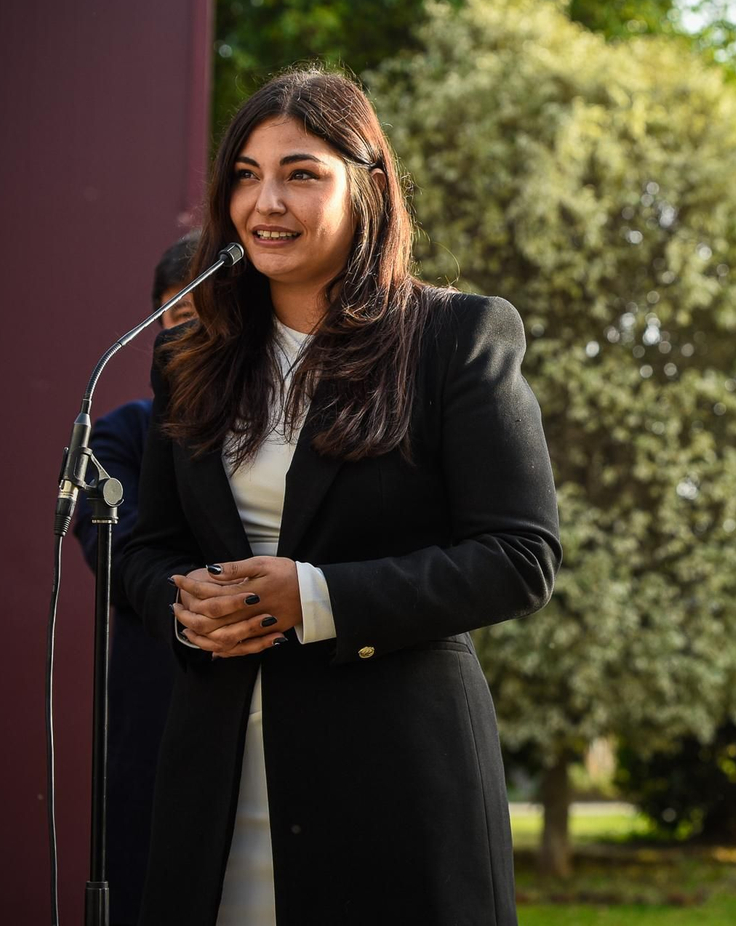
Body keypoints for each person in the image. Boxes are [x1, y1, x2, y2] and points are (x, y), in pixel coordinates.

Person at [120, 68, 561, 925]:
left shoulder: (456, 338)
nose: (265, 202)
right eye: (245, 175)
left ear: (368, 185)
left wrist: (315, 597)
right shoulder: (189, 357)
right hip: (213, 779)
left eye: (301, 173)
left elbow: (519, 556)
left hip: (395, 780)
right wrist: (183, 606)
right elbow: (147, 544)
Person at [72, 230, 199, 926]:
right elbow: (110, 548)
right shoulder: (121, 432)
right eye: (176, 320)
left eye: (212, 320)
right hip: (154, 706)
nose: (192, 341)